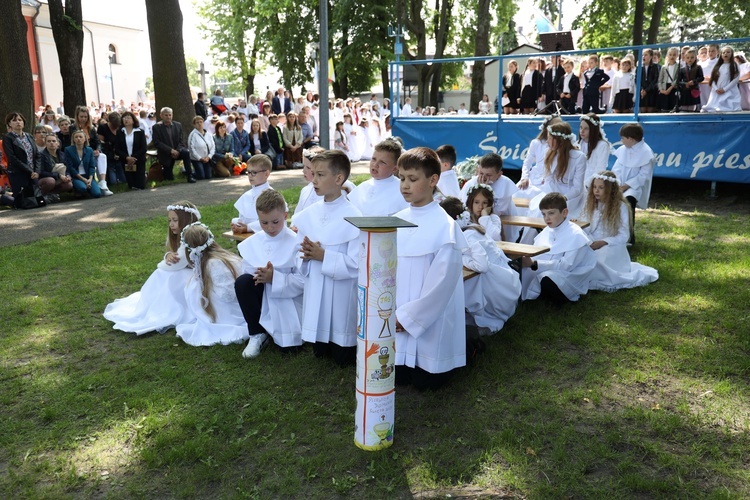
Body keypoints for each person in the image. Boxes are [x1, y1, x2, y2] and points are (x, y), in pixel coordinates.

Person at [393, 147, 467, 390]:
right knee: (398, 378)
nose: (405, 185)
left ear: (433, 180)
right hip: (398, 316)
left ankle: (473, 347)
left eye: (412, 179)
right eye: (402, 178)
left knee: (428, 382)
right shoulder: (396, 219)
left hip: (429, 320)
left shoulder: (444, 227)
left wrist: (409, 318)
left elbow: (442, 284)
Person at [291, 150, 361, 367]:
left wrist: (324, 256)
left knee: (342, 356)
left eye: (320, 175)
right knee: (320, 352)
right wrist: (305, 254)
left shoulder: (355, 217)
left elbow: (357, 265)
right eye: (313, 173)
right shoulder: (309, 214)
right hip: (316, 285)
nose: (314, 179)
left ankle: (343, 344)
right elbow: (296, 253)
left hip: (340, 293)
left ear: (339, 178)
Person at [103, 202, 201, 334]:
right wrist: (168, 255)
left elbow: (176, 264)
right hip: (186, 270)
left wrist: (162, 264)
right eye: (169, 220)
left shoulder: (190, 237)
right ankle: (157, 304)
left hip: (195, 277)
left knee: (162, 274)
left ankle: (165, 307)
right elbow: (174, 256)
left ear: (185, 220)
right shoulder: (179, 236)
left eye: (175, 220)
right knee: (164, 274)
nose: (171, 224)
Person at [235, 190, 305, 358]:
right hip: (261, 294)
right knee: (242, 282)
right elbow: (247, 270)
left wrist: (275, 278)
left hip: (287, 300)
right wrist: (259, 274)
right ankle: (257, 332)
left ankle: (285, 332)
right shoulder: (255, 241)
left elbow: (303, 281)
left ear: (285, 215)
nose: (270, 228)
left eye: (275, 222)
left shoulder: (295, 242)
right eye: (264, 222)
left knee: (289, 350)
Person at [440, 196, 520, 334]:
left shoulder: (467, 236)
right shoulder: (472, 227)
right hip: (503, 275)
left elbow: (482, 266)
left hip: (496, 283)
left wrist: (461, 259)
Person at [175, 223, 249, 347]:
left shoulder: (214, 263)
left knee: (195, 287)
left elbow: (228, 294)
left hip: (232, 311)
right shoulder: (218, 258)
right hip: (237, 299)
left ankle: (216, 319)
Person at [583, 171, 659, 292]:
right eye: (595, 187)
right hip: (592, 241)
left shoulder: (620, 206)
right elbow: (587, 227)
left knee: (599, 259)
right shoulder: (592, 205)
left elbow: (624, 235)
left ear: (610, 190)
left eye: (601, 188)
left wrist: (603, 242)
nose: (596, 191)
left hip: (611, 245)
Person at [520, 192, 595, 304]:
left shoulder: (576, 235)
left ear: (564, 212)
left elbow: (566, 266)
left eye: (551, 213)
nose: (546, 218)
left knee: (547, 279)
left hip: (569, 275)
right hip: (547, 269)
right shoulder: (547, 230)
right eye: (543, 214)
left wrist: (534, 264)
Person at [528, 121, 586, 221]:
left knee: (558, 213)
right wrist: (552, 196)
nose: (547, 141)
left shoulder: (579, 157)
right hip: (552, 191)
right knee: (539, 210)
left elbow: (577, 188)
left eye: (550, 138)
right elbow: (548, 179)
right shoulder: (549, 153)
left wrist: (563, 198)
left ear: (560, 140)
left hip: (571, 197)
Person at [611, 123, 655, 245]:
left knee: (628, 206)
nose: (621, 141)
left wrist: (626, 186)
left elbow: (643, 176)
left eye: (623, 138)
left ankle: (629, 237)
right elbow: (617, 168)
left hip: (634, 188)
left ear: (631, 139)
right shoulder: (623, 150)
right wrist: (618, 183)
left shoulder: (646, 153)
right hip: (620, 184)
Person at [460, 153, 520, 241]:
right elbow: (466, 206)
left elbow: (496, 211)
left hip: (499, 223)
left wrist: (484, 190)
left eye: (488, 175)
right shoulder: (471, 183)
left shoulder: (505, 184)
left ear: (499, 174)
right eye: (481, 173)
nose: (484, 178)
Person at [348, 138, 409, 216]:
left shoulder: (401, 190)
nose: (375, 164)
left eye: (382, 162)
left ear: (394, 168)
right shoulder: (362, 187)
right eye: (373, 159)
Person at [3, 112, 47, 209]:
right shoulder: (8, 138)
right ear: (9, 124)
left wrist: (37, 171)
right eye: (14, 120)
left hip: (32, 173)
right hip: (18, 172)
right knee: (22, 204)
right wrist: (30, 171)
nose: (18, 122)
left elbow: (37, 155)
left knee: (39, 202)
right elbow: (12, 158)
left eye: (20, 120)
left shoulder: (29, 136)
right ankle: (5, 198)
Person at [516, 115, 561, 199]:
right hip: (535, 176)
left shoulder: (561, 145)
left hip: (552, 179)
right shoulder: (536, 143)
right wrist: (524, 178)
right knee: (520, 193)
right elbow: (527, 163)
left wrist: (548, 178)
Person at [71, 105, 112, 195]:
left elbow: (98, 142)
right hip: (79, 153)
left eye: (85, 116)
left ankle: (102, 183)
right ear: (77, 117)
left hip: (92, 152)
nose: (83, 119)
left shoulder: (91, 128)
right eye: (81, 116)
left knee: (102, 156)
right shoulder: (73, 128)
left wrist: (98, 150)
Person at [151, 107, 195, 183]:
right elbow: (157, 143)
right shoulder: (157, 127)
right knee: (169, 178)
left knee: (186, 153)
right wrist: (170, 151)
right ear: (161, 116)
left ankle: (190, 175)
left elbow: (181, 141)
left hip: (178, 151)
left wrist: (177, 150)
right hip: (166, 153)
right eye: (166, 115)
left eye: (170, 115)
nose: (168, 117)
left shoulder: (178, 125)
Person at [232, 154, 274, 234]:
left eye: (254, 172)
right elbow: (242, 218)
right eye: (248, 172)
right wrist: (237, 224)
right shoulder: (246, 195)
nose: (250, 176)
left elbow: (272, 221)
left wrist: (248, 228)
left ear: (266, 174)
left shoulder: (271, 196)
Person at [64, 129, 103, 199]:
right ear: (73, 139)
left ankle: (87, 189)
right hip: (76, 176)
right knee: (82, 188)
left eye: (80, 137)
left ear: (85, 139)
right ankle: (79, 191)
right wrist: (83, 180)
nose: (78, 139)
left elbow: (92, 166)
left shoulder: (89, 150)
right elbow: (71, 167)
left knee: (97, 194)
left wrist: (90, 179)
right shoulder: (68, 150)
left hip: (88, 176)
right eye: (76, 137)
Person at [702, 45, 742, 113]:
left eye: (728, 52)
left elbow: (735, 79)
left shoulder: (735, 65)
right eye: (723, 52)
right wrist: (716, 88)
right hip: (717, 91)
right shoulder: (718, 65)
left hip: (729, 91)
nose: (725, 54)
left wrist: (725, 89)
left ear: (732, 54)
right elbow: (713, 79)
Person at [114, 111, 147, 190]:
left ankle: (144, 175)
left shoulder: (140, 132)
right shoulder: (120, 132)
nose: (126, 120)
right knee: (131, 186)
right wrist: (127, 157)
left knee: (140, 185)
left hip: (138, 160)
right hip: (126, 161)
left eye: (128, 118)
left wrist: (133, 157)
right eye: (124, 118)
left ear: (133, 120)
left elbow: (144, 148)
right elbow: (117, 149)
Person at [578, 113, 611, 191]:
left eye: (586, 128)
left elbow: (600, 169)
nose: (582, 131)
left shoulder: (602, 145)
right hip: (578, 181)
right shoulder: (578, 144)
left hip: (592, 184)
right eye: (581, 127)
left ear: (593, 129)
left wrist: (586, 184)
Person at [39, 133, 74, 199]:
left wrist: (68, 176)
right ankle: (41, 195)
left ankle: (51, 195)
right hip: (45, 179)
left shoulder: (62, 154)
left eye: (54, 141)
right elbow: (41, 172)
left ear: (58, 143)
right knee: (51, 181)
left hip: (59, 179)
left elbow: (67, 169)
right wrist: (58, 175)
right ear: (45, 143)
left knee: (69, 185)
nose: (51, 143)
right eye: (49, 141)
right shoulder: (41, 155)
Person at [187, 116, 214, 180]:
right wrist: (200, 158)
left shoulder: (208, 134)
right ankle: (189, 174)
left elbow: (213, 146)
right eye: (197, 122)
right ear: (194, 124)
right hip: (197, 159)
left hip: (207, 159)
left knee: (208, 176)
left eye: (201, 122)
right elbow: (191, 148)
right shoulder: (193, 135)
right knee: (201, 176)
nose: (199, 124)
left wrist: (209, 157)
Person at [657, 47, 681, 111]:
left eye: (674, 55)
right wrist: (661, 89)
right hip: (664, 88)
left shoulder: (679, 66)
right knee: (664, 107)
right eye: (670, 54)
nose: (672, 56)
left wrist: (670, 88)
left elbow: (678, 78)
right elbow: (660, 80)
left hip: (673, 88)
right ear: (667, 55)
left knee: (673, 106)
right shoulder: (664, 67)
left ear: (677, 56)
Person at [639, 48, 660, 113]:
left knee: (650, 110)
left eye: (646, 55)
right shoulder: (639, 67)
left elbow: (656, 79)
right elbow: (637, 79)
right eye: (643, 55)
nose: (643, 57)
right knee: (642, 110)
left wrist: (647, 90)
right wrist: (642, 89)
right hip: (642, 92)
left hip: (652, 92)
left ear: (651, 56)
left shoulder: (655, 66)